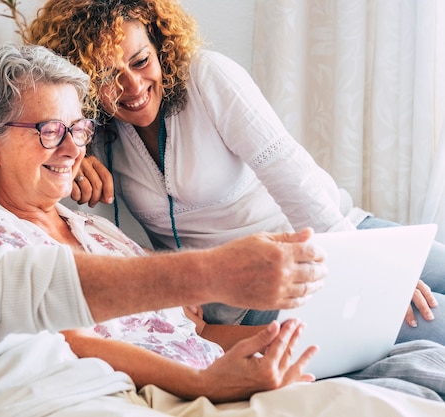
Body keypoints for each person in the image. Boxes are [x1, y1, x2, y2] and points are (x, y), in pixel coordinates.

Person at [0, 1, 443, 416]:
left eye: (80, 129)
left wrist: (297, 342)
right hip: (172, 383)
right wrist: (216, 281)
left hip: (320, 248)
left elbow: (198, 321)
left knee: (412, 350)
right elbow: (3, 294)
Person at [0, 42, 445, 404]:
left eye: (77, 129)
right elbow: (65, 340)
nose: (70, 148)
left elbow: (201, 331)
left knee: (418, 342)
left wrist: (287, 345)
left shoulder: (91, 228)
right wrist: (204, 383)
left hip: (262, 320)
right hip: (200, 387)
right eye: (48, 131)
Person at [27, 0, 445, 344]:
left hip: (342, 232)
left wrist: (369, 267)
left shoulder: (207, 77)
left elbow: (291, 173)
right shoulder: (90, 134)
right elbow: (60, 209)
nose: (133, 87)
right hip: (259, 288)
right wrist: (78, 155)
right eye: (109, 77)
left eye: (140, 61)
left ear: (160, 46)